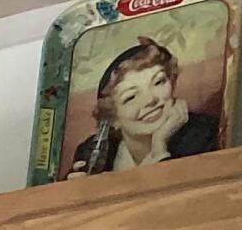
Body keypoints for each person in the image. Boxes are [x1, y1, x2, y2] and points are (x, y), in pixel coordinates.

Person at [73, 35, 222, 172]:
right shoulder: (92, 153)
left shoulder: (205, 136)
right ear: (113, 118)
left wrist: (159, 148)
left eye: (158, 82)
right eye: (131, 97)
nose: (150, 100)